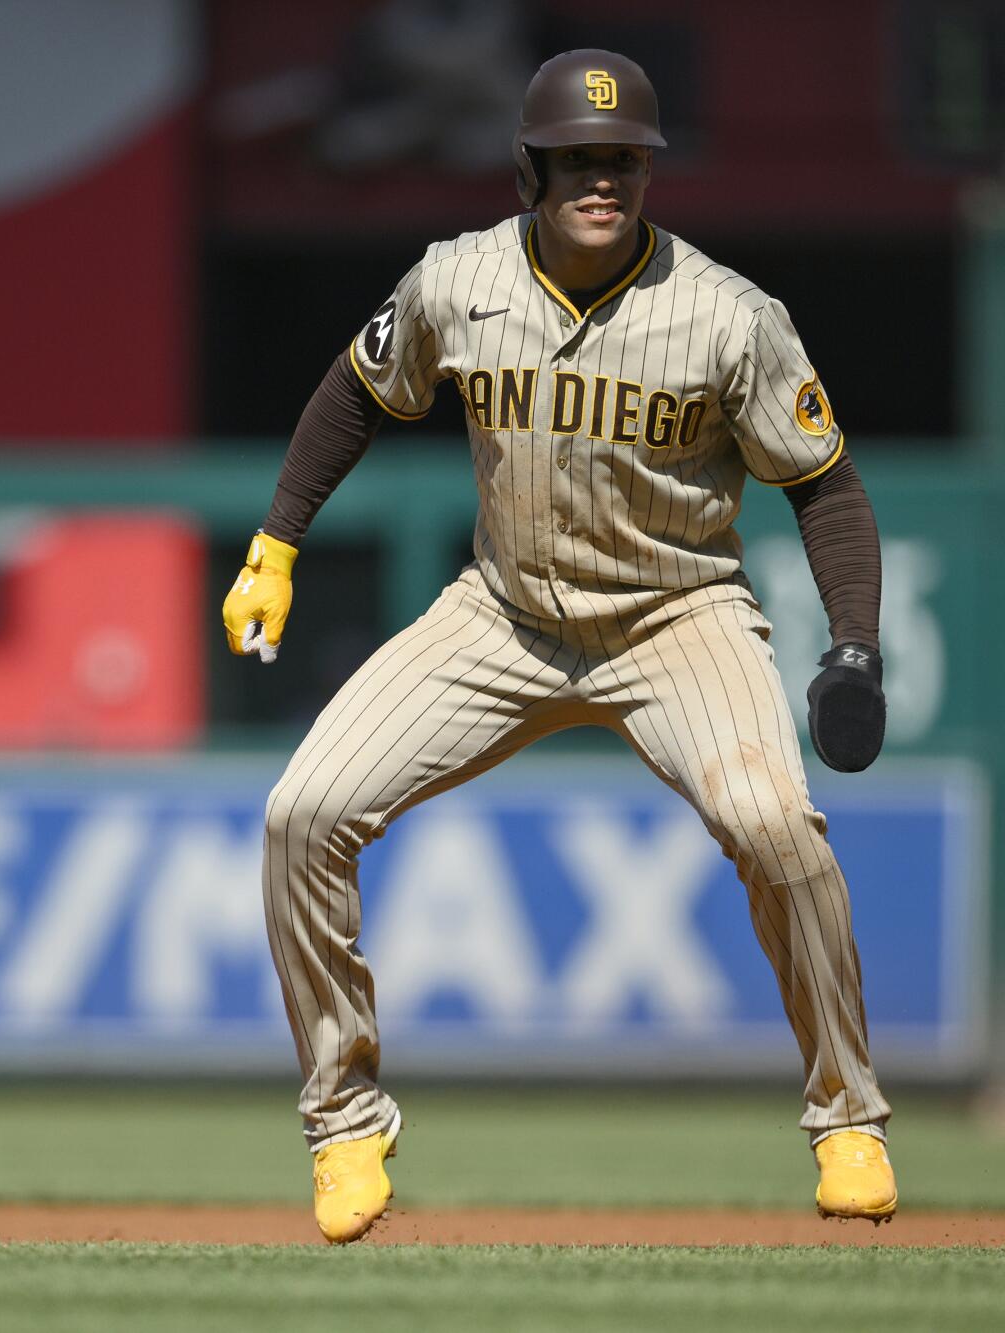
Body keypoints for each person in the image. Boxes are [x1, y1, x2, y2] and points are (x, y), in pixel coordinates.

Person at [223, 49, 895, 1244]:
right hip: (506, 614)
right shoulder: (456, 280)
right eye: (579, 160)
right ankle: (342, 1120)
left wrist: (852, 643)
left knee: (774, 826)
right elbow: (356, 391)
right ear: (529, 166)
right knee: (300, 813)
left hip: (673, 614)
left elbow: (826, 489)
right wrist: (275, 542)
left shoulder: (728, 315)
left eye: (624, 160)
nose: (603, 181)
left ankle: (846, 1113)